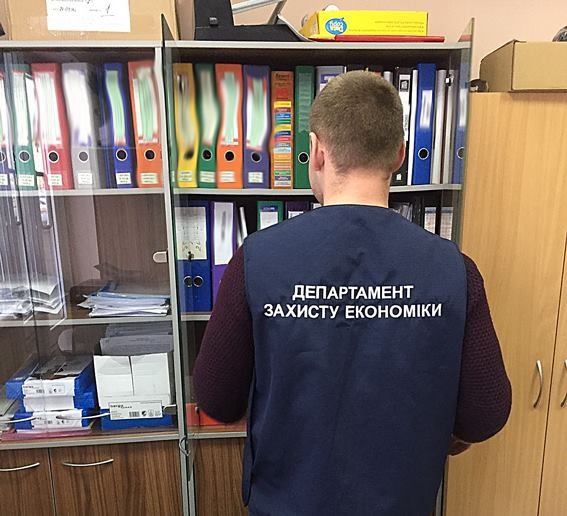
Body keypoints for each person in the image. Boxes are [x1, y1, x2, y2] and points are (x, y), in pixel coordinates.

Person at [193, 71, 511, 516]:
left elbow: (216, 398)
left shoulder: (257, 259)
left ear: (317, 151)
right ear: (399, 154)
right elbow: (485, 413)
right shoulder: (454, 270)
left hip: (287, 503)